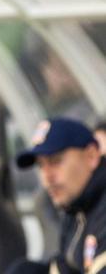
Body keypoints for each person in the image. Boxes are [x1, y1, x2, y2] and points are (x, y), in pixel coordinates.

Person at [10, 117, 106, 273]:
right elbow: (65, 266)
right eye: (41, 165)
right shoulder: (76, 208)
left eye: (55, 161)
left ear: (91, 156)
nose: (46, 177)